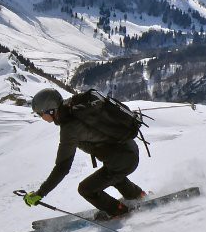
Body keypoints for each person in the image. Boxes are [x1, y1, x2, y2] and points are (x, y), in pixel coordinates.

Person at [22, 88, 146, 220]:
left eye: (41, 114)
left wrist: (40, 193)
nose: (41, 117)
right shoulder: (73, 106)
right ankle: (137, 196)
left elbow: (62, 167)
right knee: (111, 175)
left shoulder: (69, 128)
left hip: (122, 159)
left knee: (86, 189)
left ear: (51, 110)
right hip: (128, 150)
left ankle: (118, 211)